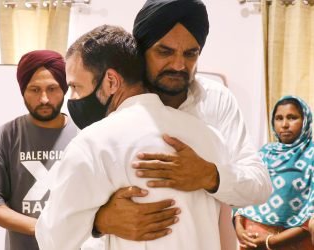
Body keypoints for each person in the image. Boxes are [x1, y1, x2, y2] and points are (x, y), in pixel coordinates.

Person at [35, 24, 231, 250]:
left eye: (76, 86)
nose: (73, 98)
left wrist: (97, 222)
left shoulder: (92, 143)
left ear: (111, 82)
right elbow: (225, 233)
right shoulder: (210, 137)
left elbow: (54, 239)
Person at [91, 0, 272, 241]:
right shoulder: (113, 100)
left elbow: (259, 186)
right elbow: (67, 206)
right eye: (164, 51)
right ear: (140, 51)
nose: (178, 65)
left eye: (190, 53)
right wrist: (99, 222)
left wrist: (210, 176)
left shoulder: (216, 100)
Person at [0, 50, 77, 250]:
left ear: (64, 89)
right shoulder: (5, 136)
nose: (44, 99)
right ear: (23, 90)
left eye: (52, 88)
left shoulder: (85, 134)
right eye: (34, 89)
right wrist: (44, 228)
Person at [234, 96, 314, 250]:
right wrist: (239, 228)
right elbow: (242, 193)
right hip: (252, 240)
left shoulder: (311, 155)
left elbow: (311, 215)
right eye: (279, 118)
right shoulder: (265, 153)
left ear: (305, 120)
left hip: (293, 242)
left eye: (292, 118)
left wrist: (271, 241)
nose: (284, 125)